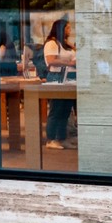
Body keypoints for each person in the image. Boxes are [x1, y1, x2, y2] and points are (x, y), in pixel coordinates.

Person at [42, 17, 77, 150]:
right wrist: (69, 63)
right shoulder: (52, 43)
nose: (69, 30)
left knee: (65, 110)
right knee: (56, 109)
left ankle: (62, 138)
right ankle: (51, 138)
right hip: (57, 76)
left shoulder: (66, 44)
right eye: (67, 28)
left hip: (69, 77)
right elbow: (51, 60)